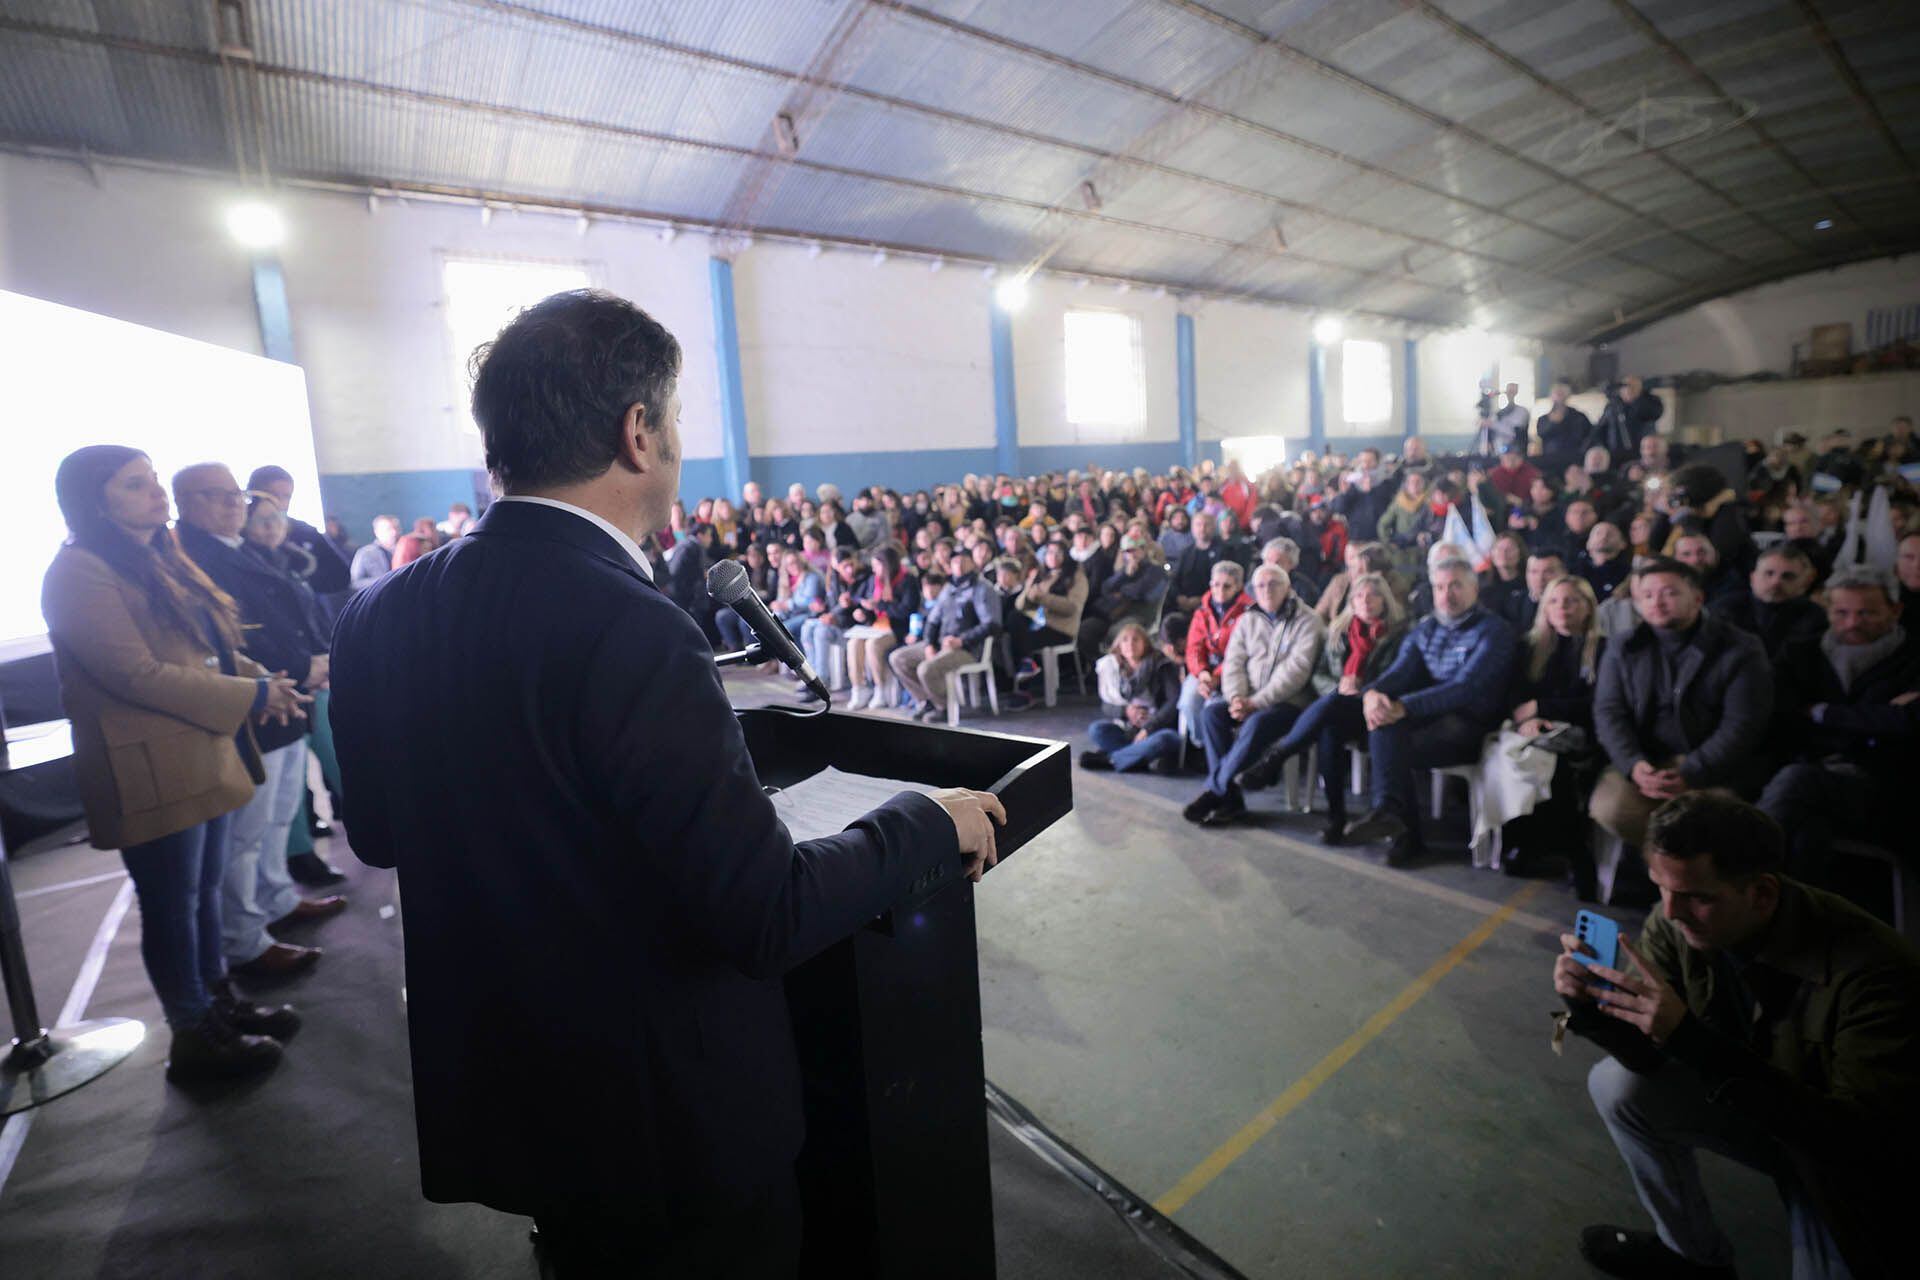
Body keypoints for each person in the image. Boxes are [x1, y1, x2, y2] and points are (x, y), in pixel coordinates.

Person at [328, 290, 1002, 1272]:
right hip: (667, 1134)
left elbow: (382, 831)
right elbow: (765, 912)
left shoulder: (376, 613)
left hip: (521, 1102)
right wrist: (924, 823)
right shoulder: (630, 626)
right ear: (637, 432)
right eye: (676, 418)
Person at [1552, 792, 1918, 1280]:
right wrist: (1591, 1008)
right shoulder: (1675, 922)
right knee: (1617, 1085)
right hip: (1758, 1104)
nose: (1672, 912)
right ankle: (1692, 1256)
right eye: (1662, 888)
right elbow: (1650, 1059)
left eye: (1698, 897)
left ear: (1762, 893)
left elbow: (1854, 1143)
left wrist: (1688, 1038)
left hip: (1836, 1154)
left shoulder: (1874, 972)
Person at [41, 446, 307, 1082]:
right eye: (136, 485)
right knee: (170, 904)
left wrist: (262, 677)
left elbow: (204, 650)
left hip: (196, 752)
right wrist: (253, 694)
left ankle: (218, 1006)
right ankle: (193, 1037)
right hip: (150, 768)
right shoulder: (79, 571)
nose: (156, 494)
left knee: (200, 897)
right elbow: (137, 674)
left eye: (154, 481)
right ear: (94, 499)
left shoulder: (157, 558)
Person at [172, 464, 341, 980]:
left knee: (276, 816)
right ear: (186, 504)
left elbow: (309, 593)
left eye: (235, 496)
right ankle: (244, 940)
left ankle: (275, 901)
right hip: (255, 701)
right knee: (247, 831)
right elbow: (239, 635)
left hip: (283, 692)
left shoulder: (243, 550)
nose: (233, 506)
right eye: (216, 497)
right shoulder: (196, 559)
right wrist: (298, 666)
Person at [1590, 558, 1773, 850]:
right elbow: (1609, 712)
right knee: (1610, 809)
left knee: (1704, 824)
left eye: (1670, 593)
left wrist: (1693, 769)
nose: (1657, 602)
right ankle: (1665, 874)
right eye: (1647, 595)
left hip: (1711, 764)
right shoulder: (1623, 646)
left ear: (1697, 597)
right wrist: (1633, 765)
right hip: (1646, 761)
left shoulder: (1740, 648)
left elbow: (1742, 724)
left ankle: (1680, 882)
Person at [1761, 566, 1919, 887]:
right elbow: (1781, 717)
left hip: (1886, 788)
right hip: (1808, 776)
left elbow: (1909, 723)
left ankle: (1730, 877)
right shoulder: (1801, 653)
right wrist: (1876, 718)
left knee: (1797, 783)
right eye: (1842, 612)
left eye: (1867, 613)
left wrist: (1824, 714)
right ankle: (1786, 925)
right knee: (1807, 836)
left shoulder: (1914, 658)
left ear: (1895, 610)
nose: (1852, 623)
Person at [1236, 572, 1407, 842]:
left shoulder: (1398, 636)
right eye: (1360, 595)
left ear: (1384, 600)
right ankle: (1335, 817)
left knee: (1333, 709)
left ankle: (1277, 757)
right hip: (1341, 707)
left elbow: (1399, 676)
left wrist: (1360, 691)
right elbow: (1319, 675)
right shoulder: (1339, 631)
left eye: (1373, 594)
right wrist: (1340, 689)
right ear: (1351, 600)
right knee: (1329, 727)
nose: (1366, 600)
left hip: (1377, 709)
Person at [1482, 575, 1606, 895]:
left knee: (1558, 768)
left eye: (1571, 601)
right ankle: (1521, 843)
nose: (1562, 608)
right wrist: (1528, 720)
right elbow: (1513, 695)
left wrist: (1542, 707)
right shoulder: (1530, 645)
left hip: (1583, 731)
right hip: (1534, 730)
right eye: (1554, 601)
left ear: (1587, 607)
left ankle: (1575, 855)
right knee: (1511, 759)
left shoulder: (1603, 649)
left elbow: (1598, 704)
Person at [1181, 565, 1326, 827]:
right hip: (1247, 699)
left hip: (1289, 703)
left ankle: (1216, 791)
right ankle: (1231, 800)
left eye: (1273, 584)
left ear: (1288, 588)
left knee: (1258, 723)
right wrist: (1237, 698)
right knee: (1212, 713)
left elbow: (1296, 673)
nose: (1267, 590)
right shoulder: (1249, 619)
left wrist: (1255, 703)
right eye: (1260, 586)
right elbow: (1234, 661)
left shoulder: (1308, 620)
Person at [888, 545, 1000, 722]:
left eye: (964, 560)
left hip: (968, 649)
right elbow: (933, 620)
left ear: (973, 563)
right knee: (898, 658)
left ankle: (947, 707)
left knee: (927, 669)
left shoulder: (982, 588)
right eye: (955, 561)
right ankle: (927, 701)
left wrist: (961, 640)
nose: (959, 565)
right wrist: (930, 644)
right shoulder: (949, 588)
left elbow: (992, 624)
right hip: (941, 643)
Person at [1081, 622, 1184, 774]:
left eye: (1136, 639)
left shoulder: (1161, 664)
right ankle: (1137, 758)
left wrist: (1149, 728)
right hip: (1130, 730)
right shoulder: (1115, 668)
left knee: (1167, 739)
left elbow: (1173, 701)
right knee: (1097, 730)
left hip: (1157, 729)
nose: (1130, 644)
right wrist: (1126, 711)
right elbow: (1107, 705)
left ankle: (1112, 760)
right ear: (1119, 646)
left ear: (1145, 644)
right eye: (1125, 640)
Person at [1176, 561, 1251, 745]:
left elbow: (1241, 652)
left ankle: (1213, 748)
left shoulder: (1248, 612)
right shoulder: (1203, 610)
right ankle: (1200, 746)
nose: (1220, 590)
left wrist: (1216, 677)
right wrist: (1202, 673)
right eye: (1216, 585)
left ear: (1239, 587)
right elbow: (1194, 647)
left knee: (1211, 707)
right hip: (1204, 671)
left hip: (1234, 671)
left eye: (1227, 586)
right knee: (1189, 701)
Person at [1710, 544, 1825, 661]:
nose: (1776, 582)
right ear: (1753, 578)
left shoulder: (1813, 616)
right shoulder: (1724, 608)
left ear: (1804, 584)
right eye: (1769, 573)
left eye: (1788, 576)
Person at [843, 545, 919, 710]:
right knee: (854, 643)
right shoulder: (874, 580)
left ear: (888, 565)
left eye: (877, 565)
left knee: (873, 644)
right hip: (876, 626)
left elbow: (906, 610)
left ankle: (880, 688)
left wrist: (880, 605)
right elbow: (873, 608)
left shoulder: (907, 580)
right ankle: (859, 687)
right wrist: (864, 613)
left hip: (896, 628)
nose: (874, 569)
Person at [1007, 539, 1086, 676]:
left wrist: (1043, 598)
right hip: (1040, 624)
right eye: (1049, 552)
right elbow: (1019, 606)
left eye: (1058, 553)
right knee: (1014, 617)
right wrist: (1028, 588)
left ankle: (1028, 673)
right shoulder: (1044, 575)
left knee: (1025, 640)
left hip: (1060, 629)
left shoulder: (1076, 577)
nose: (1053, 556)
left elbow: (1072, 608)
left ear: (1066, 555)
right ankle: (1025, 667)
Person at [1591, 374, 1662, 460]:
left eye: (1632, 386)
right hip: (1615, 455)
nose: (1628, 389)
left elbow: (1653, 413)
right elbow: (1601, 428)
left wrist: (1636, 398)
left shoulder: (1649, 401)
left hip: (1641, 455)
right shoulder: (1613, 405)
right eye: (1625, 385)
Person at [1503, 549, 1567, 634]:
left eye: (1548, 572)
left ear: (1564, 573)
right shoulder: (1514, 603)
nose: (1540, 578)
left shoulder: (1573, 604)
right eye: (1534, 572)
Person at [1537, 379, 1593, 474]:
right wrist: (1554, 423)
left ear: (1568, 395)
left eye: (1561, 393)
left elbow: (1587, 436)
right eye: (1556, 393)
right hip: (1550, 462)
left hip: (1573, 461)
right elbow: (1542, 434)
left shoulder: (1578, 417)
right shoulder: (1543, 419)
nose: (1559, 396)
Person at [349, 514, 399, 590]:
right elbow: (355, 583)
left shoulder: (406, 549)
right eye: (388, 529)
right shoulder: (365, 553)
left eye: (396, 528)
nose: (394, 533)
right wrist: (384, 581)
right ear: (377, 532)